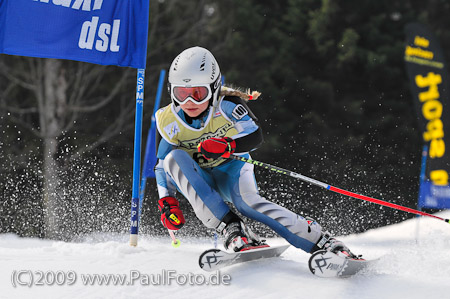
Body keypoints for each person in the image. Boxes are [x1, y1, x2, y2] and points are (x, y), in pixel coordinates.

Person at [154, 46, 356, 257]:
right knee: (173, 157)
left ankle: (321, 241)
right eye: (181, 93)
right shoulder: (167, 120)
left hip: (232, 170)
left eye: (198, 93)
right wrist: (167, 201)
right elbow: (162, 165)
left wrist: (227, 145)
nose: (189, 102)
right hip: (200, 179)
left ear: (214, 88)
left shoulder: (228, 106)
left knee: (248, 203)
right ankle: (231, 229)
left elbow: (255, 136)